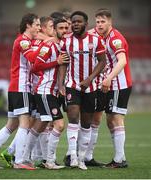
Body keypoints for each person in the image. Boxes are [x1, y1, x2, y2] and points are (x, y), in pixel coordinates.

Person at [0, 13, 43, 170]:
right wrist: (46, 45)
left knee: (11, 125)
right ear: (28, 25)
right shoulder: (23, 41)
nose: (39, 27)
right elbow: (32, 57)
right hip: (20, 87)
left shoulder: (27, 41)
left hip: (17, 87)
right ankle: (19, 161)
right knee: (25, 123)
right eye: (36, 24)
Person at [59, 11, 106, 170]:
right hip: (72, 85)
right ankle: (72, 156)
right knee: (72, 118)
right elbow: (63, 63)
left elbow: (102, 62)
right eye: (73, 22)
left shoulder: (96, 40)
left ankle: (81, 158)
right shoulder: (66, 41)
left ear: (86, 24)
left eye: (79, 22)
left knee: (86, 124)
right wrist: (60, 84)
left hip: (90, 87)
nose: (75, 24)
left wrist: (89, 79)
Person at [20, 17, 69, 170]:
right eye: (60, 28)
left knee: (40, 126)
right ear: (54, 30)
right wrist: (57, 62)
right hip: (44, 90)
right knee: (59, 125)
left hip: (51, 91)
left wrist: (61, 86)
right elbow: (36, 67)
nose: (64, 31)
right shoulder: (48, 46)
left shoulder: (61, 46)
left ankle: (24, 157)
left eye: (66, 28)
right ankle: (50, 161)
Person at [91, 8, 132, 168]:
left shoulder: (115, 39)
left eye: (103, 21)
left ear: (110, 22)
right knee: (110, 120)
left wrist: (108, 78)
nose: (99, 25)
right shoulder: (102, 34)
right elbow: (89, 31)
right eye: (98, 22)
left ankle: (120, 160)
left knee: (116, 118)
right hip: (111, 84)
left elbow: (122, 61)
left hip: (118, 84)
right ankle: (118, 158)